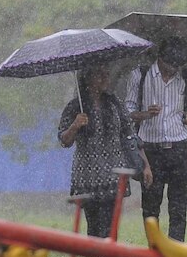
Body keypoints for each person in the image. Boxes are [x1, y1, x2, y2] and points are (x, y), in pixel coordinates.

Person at [124, 37, 187, 242]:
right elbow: (127, 110)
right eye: (168, 65)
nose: (171, 70)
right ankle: (155, 255)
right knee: (150, 208)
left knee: (178, 208)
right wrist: (144, 114)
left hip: (179, 150)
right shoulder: (140, 75)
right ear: (160, 57)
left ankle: (175, 256)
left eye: (176, 66)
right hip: (150, 151)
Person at [58, 63, 152, 242]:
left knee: (111, 225)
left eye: (106, 74)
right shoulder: (74, 106)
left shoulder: (115, 103)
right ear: (88, 78)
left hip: (114, 175)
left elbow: (130, 136)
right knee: (94, 226)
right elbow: (64, 141)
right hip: (88, 176)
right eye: (100, 74)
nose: (105, 78)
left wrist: (145, 165)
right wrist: (75, 125)